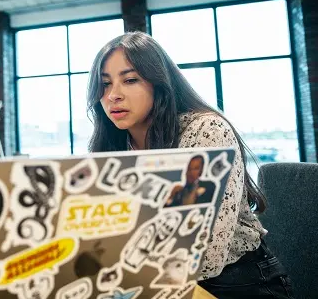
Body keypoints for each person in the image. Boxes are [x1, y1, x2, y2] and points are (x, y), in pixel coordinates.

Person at [86, 32, 294, 298]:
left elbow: (208, 253)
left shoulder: (206, 132)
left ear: (159, 83)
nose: (113, 95)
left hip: (235, 281)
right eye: (104, 84)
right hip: (153, 281)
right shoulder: (113, 147)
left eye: (130, 80)